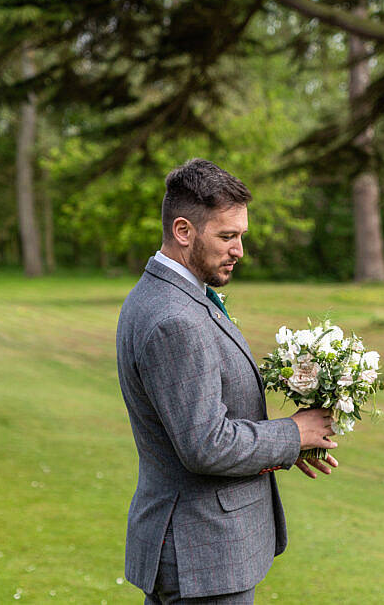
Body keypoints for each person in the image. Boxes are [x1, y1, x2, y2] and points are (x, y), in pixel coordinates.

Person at [116, 158, 339, 603]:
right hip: (201, 555)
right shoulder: (174, 318)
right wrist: (293, 433)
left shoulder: (175, 295)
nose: (239, 249)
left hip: (201, 552)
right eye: (227, 236)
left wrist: (287, 447)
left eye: (241, 236)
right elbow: (206, 444)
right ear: (183, 231)